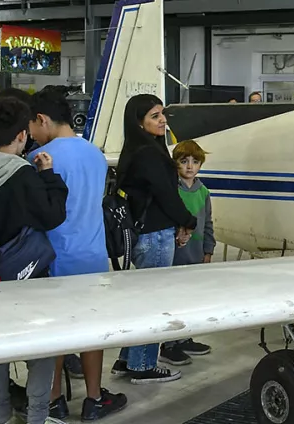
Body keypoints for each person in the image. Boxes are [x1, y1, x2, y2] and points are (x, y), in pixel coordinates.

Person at [26, 90, 128, 421]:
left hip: (54, 258)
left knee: (54, 334)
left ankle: (53, 399)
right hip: (93, 256)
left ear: (41, 119)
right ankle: (94, 399)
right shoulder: (96, 154)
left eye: (30, 126)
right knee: (92, 331)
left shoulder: (39, 157)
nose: (30, 134)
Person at [0, 97, 68, 424]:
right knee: (39, 350)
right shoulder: (24, 174)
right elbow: (52, 216)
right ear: (21, 135)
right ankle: (36, 417)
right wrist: (49, 176)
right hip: (28, 276)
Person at [110, 94, 195, 384]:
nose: (163, 121)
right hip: (154, 237)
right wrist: (188, 221)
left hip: (146, 234)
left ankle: (127, 358)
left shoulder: (138, 149)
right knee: (153, 302)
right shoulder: (148, 154)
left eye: (162, 114)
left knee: (141, 300)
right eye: (155, 116)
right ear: (139, 122)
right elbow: (166, 194)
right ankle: (143, 364)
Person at [159, 140, 214, 366]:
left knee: (190, 299)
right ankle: (169, 344)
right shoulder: (172, 190)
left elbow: (208, 222)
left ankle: (184, 338)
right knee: (173, 298)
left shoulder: (203, 192)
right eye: (184, 161)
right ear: (176, 163)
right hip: (175, 254)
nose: (190, 166)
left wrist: (208, 249)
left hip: (195, 254)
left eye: (195, 161)